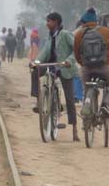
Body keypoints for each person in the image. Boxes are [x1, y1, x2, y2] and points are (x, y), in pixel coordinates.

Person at [30, 12, 80, 142]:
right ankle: (39, 100)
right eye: (47, 21)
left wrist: (69, 60)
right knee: (35, 72)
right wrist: (36, 62)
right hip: (51, 65)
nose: (47, 24)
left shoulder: (65, 34)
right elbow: (45, 52)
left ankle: (75, 130)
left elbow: (77, 49)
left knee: (69, 99)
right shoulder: (50, 36)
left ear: (56, 22)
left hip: (64, 67)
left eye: (49, 21)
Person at [74, 8, 109, 118]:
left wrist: (83, 64)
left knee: (86, 88)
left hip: (86, 69)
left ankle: (86, 109)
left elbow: (77, 54)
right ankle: (106, 105)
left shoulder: (78, 34)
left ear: (83, 23)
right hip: (105, 67)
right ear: (96, 21)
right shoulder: (106, 31)